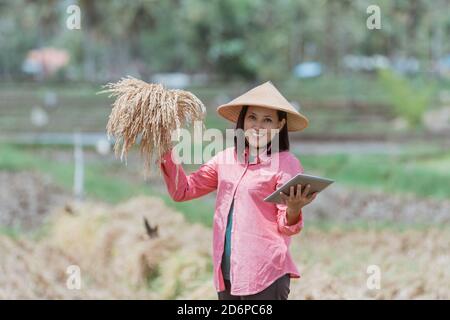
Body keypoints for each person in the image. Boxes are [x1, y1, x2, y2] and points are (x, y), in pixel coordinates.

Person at [159, 81, 317, 300]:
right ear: (242, 120)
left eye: (267, 120)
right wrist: (165, 148)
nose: (258, 126)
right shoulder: (225, 159)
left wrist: (293, 208)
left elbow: (287, 226)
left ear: (280, 126)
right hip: (226, 273)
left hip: (265, 273)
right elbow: (183, 190)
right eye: (252, 117)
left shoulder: (286, 163)